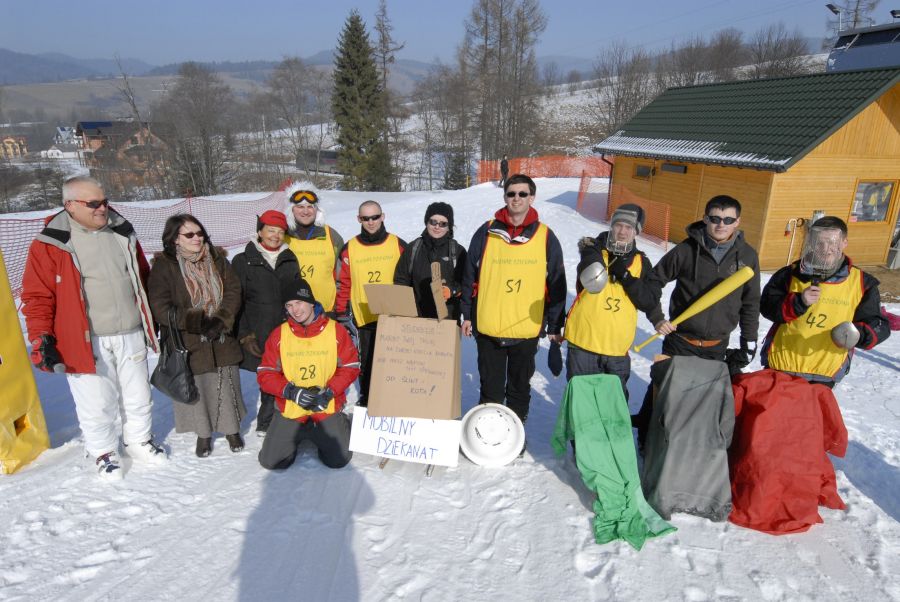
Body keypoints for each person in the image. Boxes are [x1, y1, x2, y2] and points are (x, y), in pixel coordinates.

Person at [22, 175, 165, 480]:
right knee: (96, 401)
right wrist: (41, 338)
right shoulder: (50, 244)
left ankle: (139, 440)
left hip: (130, 331)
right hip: (85, 339)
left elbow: (142, 275)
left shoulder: (122, 231)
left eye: (105, 201)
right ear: (70, 205)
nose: (102, 208)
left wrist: (155, 316)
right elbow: (37, 297)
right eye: (94, 203)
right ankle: (103, 451)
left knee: (138, 394)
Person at [634, 195, 761, 441]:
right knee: (662, 393)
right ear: (705, 219)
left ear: (737, 222)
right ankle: (648, 441)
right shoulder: (686, 250)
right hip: (680, 341)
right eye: (715, 218)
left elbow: (750, 303)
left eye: (728, 219)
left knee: (702, 400)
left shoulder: (747, 257)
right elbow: (653, 281)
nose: (721, 224)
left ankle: (689, 446)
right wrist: (657, 318)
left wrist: (749, 342)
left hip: (716, 346)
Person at [461, 174, 567, 426]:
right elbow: (469, 275)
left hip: (525, 330)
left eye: (522, 194)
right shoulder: (487, 231)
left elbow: (557, 283)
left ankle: (515, 436)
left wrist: (555, 325)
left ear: (532, 197)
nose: (516, 198)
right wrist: (467, 314)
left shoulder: (545, 236)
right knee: (491, 389)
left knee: (519, 389)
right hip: (489, 327)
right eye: (511, 193)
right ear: (505, 197)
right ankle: (489, 435)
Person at [148, 214, 247, 458]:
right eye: (189, 234)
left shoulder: (217, 259)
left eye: (200, 233)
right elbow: (160, 307)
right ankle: (203, 434)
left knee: (226, 385)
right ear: (175, 239)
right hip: (188, 340)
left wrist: (220, 320)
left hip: (221, 335)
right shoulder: (164, 266)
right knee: (199, 389)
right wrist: (198, 321)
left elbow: (233, 290)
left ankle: (232, 430)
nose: (197, 238)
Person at [760, 216, 890, 387]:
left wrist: (857, 334)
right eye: (819, 243)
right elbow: (767, 307)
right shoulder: (790, 274)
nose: (826, 249)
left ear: (844, 243)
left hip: (825, 372)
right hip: (782, 364)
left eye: (832, 242)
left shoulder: (861, 283)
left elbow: (878, 324)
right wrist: (799, 302)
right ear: (811, 243)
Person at [257, 278, 361, 470]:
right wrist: (290, 391)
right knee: (271, 462)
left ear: (311, 302)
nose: (295, 310)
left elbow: (350, 366)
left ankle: (342, 423)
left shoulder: (335, 331)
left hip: (324, 405)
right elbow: (265, 373)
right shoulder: (279, 334)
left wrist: (330, 392)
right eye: (289, 305)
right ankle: (294, 433)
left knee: (338, 460)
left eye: (299, 302)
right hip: (293, 408)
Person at [564, 203, 658, 397]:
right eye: (618, 225)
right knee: (581, 400)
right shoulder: (594, 251)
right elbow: (587, 273)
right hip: (584, 342)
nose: (622, 232)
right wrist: (591, 253)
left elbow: (648, 301)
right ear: (611, 225)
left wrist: (625, 276)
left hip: (616, 347)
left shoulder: (642, 263)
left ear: (636, 231)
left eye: (628, 227)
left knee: (613, 403)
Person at [231, 210, 300, 435]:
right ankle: (267, 421)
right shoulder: (242, 261)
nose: (275, 236)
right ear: (260, 231)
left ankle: (288, 416)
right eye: (271, 230)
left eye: (280, 232)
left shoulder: (290, 258)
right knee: (269, 375)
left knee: (287, 372)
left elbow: (297, 293)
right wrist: (244, 334)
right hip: (258, 329)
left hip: (286, 327)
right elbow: (235, 301)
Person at [334, 201, 406, 406]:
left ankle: (395, 398)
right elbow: (342, 283)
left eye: (375, 217)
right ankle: (367, 398)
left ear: (383, 216)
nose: (371, 222)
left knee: (394, 360)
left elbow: (409, 277)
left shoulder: (398, 244)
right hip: (364, 315)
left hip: (393, 315)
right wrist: (341, 313)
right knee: (367, 361)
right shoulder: (350, 248)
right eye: (366, 218)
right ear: (359, 219)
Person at [394, 202, 467, 320]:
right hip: (417, 319)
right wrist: (404, 308)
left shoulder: (458, 251)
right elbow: (401, 280)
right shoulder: (413, 248)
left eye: (443, 224)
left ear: (449, 226)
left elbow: (467, 282)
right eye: (433, 222)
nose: (437, 227)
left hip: (448, 319)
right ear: (426, 222)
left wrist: (452, 290)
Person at [283, 182, 344, 314]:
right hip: (292, 312)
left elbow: (342, 276)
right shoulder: (282, 236)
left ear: (317, 210)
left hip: (326, 311)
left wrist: (339, 307)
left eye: (310, 206)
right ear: (292, 210)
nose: (305, 211)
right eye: (300, 207)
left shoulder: (332, 236)